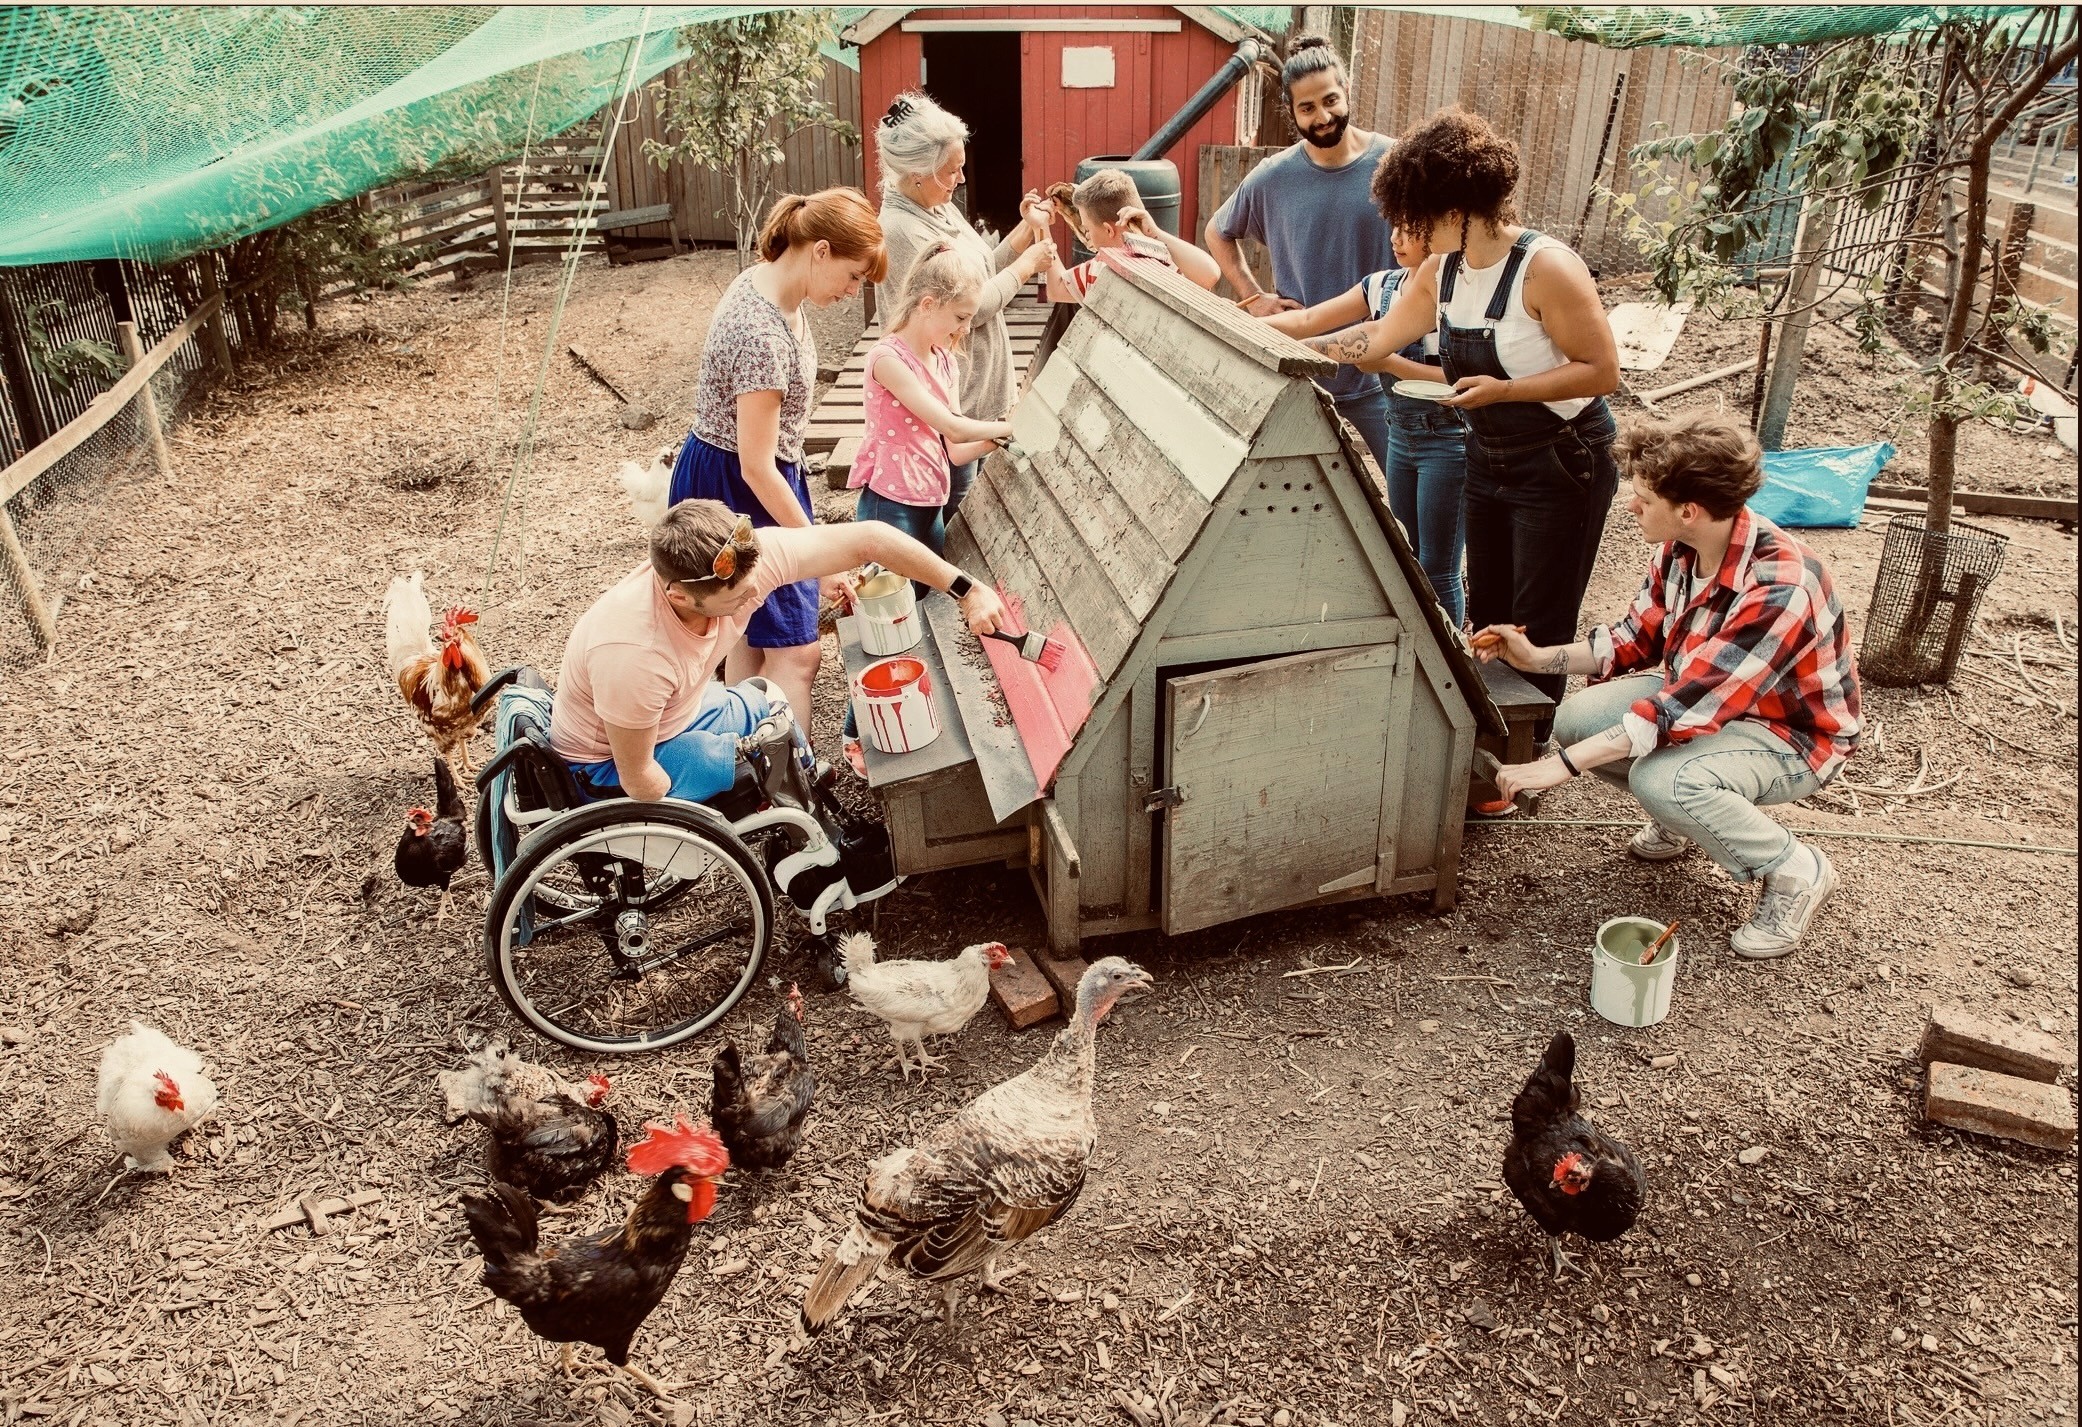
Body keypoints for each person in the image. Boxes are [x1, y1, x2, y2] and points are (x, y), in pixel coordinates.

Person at [1297, 107, 1621, 777]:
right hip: (1489, 452)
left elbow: (1602, 370)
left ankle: (1526, 761)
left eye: (1419, 213)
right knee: (1486, 604)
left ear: (1458, 205)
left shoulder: (1546, 268)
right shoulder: (1439, 271)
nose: (1411, 230)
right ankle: (1484, 745)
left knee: (1540, 615)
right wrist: (1284, 346)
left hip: (1563, 456)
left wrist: (1504, 392)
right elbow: (1374, 341)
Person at [1478, 411, 1861, 961]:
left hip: (1793, 738)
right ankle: (1683, 822)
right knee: (1577, 721)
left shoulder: (1779, 587)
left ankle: (1795, 869)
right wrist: (1538, 656)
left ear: (1689, 510)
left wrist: (1562, 767)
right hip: (1713, 704)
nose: (1631, 506)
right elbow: (1636, 637)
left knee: (1666, 779)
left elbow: (1682, 708)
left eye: (1643, 498)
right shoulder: (1681, 549)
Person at [549, 500, 1008, 806]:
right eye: (737, 598)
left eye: (755, 586)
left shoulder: (743, 565)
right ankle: (800, 843)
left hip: (676, 713)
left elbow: (871, 538)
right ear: (680, 597)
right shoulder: (634, 653)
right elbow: (640, 779)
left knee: (772, 704)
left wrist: (967, 590)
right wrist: (723, 819)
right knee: (758, 773)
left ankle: (803, 798)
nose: (755, 600)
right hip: (606, 766)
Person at [668, 187, 886, 727]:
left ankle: (745, 768)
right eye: (853, 274)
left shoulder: (773, 289)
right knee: (798, 652)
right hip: (740, 486)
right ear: (819, 251)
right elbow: (755, 466)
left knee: (743, 634)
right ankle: (792, 789)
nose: (852, 289)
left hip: (742, 472)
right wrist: (821, 551)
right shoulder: (761, 332)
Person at [840, 240, 1017, 772]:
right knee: (882, 625)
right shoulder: (887, 360)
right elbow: (953, 426)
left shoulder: (943, 358)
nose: (965, 329)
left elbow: (958, 448)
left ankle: (907, 718)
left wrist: (1003, 441)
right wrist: (1010, 423)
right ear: (927, 304)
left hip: (928, 504)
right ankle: (859, 733)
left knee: (922, 618)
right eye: (960, 316)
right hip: (888, 508)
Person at [1205, 35, 1398, 472]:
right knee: (1292, 489)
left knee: (1406, 501)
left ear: (1346, 90)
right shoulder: (1274, 177)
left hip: (1384, 366)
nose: (1323, 116)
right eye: (1307, 108)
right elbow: (1217, 232)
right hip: (1303, 367)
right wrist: (1255, 298)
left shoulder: (1393, 162)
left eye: (1330, 100)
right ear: (1292, 112)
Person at [1267, 223, 1468, 622]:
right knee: (1408, 555)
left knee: (1438, 567)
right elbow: (1308, 321)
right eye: (1394, 225)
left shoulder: (1454, 292)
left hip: (1446, 438)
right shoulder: (1380, 286)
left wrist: (1390, 362)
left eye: (1410, 229)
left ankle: (1453, 662)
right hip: (1400, 434)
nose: (1395, 237)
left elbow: (1461, 381)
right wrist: (1247, 328)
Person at [874, 91, 1055, 515]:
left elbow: (978, 274)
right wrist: (1026, 267)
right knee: (959, 516)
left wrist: (1023, 234)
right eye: (952, 170)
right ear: (918, 173)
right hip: (952, 404)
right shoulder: (901, 231)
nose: (961, 179)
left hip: (980, 387)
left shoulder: (939, 207)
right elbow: (972, 308)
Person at [1034, 167, 1221, 303]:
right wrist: (1157, 234)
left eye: (1088, 229)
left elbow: (1056, 289)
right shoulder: (1166, 259)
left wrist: (1041, 226)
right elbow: (1210, 274)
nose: (1087, 236)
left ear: (1108, 230)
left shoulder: (1100, 270)